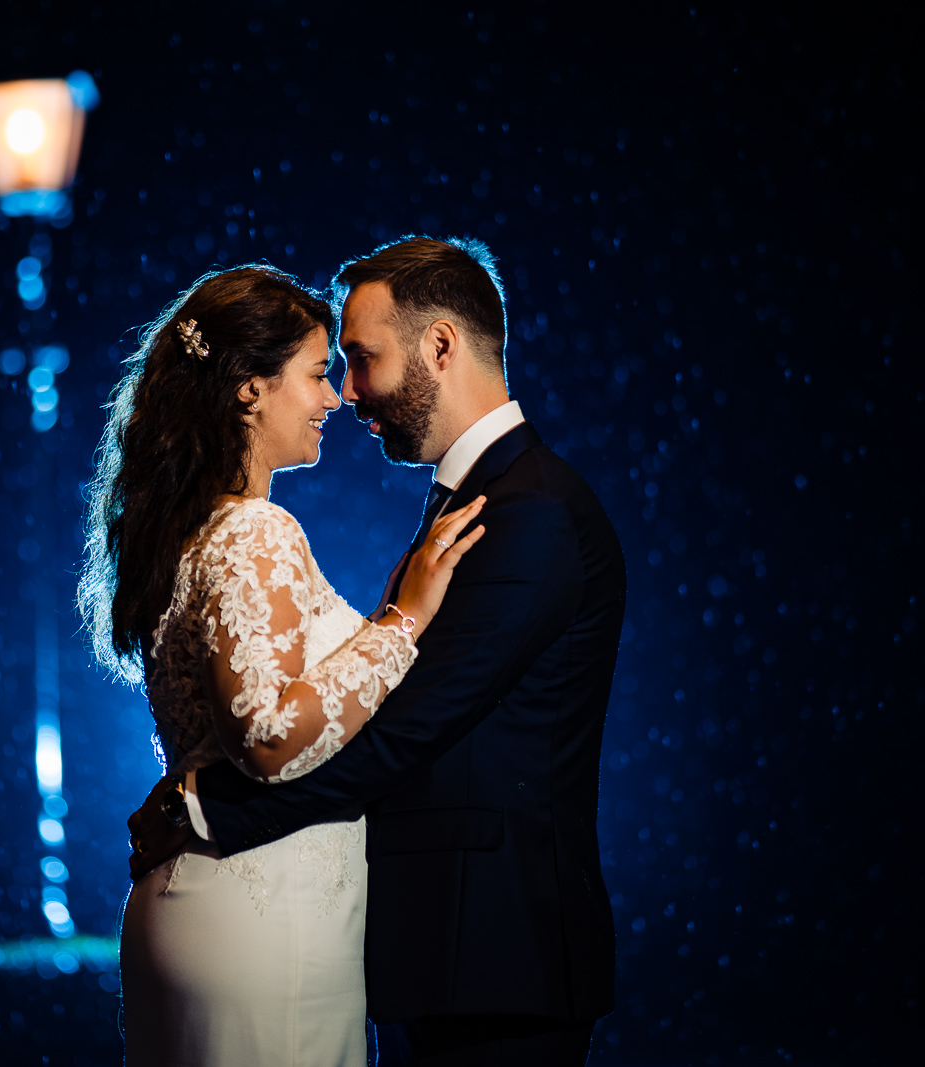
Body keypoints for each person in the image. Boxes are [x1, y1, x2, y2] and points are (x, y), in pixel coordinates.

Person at [126, 237, 627, 1067]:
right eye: (332, 369)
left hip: (495, 956)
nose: (350, 393)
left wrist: (209, 808)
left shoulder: (531, 511)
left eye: (360, 360)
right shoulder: (466, 506)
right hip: (428, 947)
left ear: (440, 345)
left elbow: (406, 731)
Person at [79, 264, 486, 1067]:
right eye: (315, 375)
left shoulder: (192, 531)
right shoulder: (255, 532)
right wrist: (402, 621)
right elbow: (265, 734)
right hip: (268, 920)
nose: (335, 397)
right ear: (248, 390)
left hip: (211, 903)